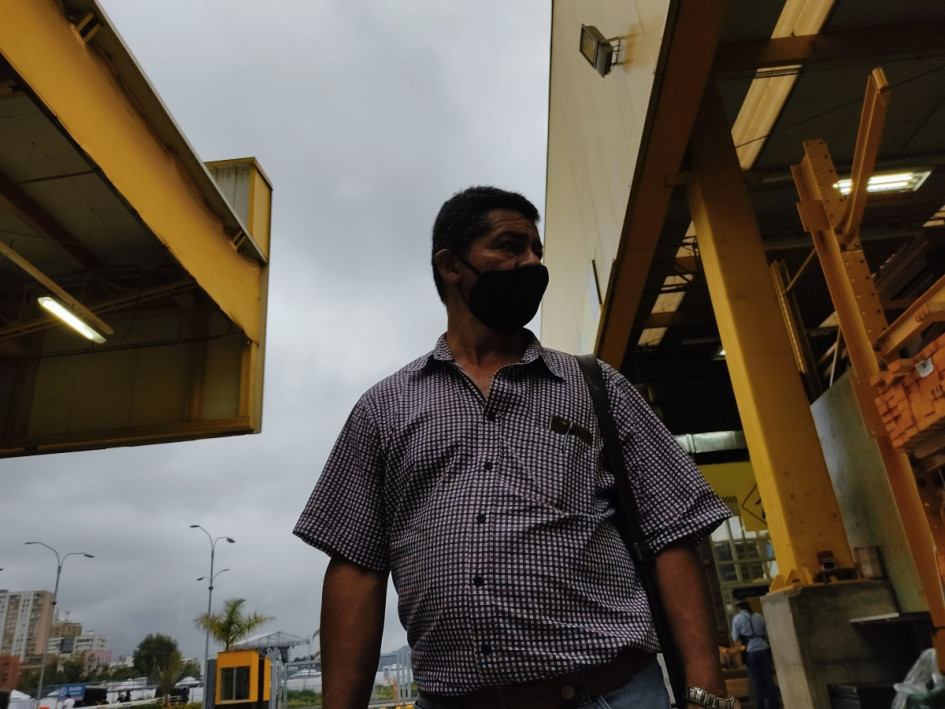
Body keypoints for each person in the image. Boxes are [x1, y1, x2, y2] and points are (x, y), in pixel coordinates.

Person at [294, 185, 736, 709]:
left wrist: (707, 690)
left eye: (536, 250)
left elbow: (671, 533)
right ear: (451, 266)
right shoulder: (382, 409)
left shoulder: (596, 386)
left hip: (610, 694)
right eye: (509, 246)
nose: (531, 263)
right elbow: (357, 568)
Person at [732, 600, 779, 708]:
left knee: (756, 681)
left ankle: (761, 705)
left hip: (750, 650)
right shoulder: (758, 616)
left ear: (739, 608)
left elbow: (735, 637)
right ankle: (774, 705)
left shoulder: (737, 619)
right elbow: (766, 632)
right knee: (768, 679)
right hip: (763, 649)